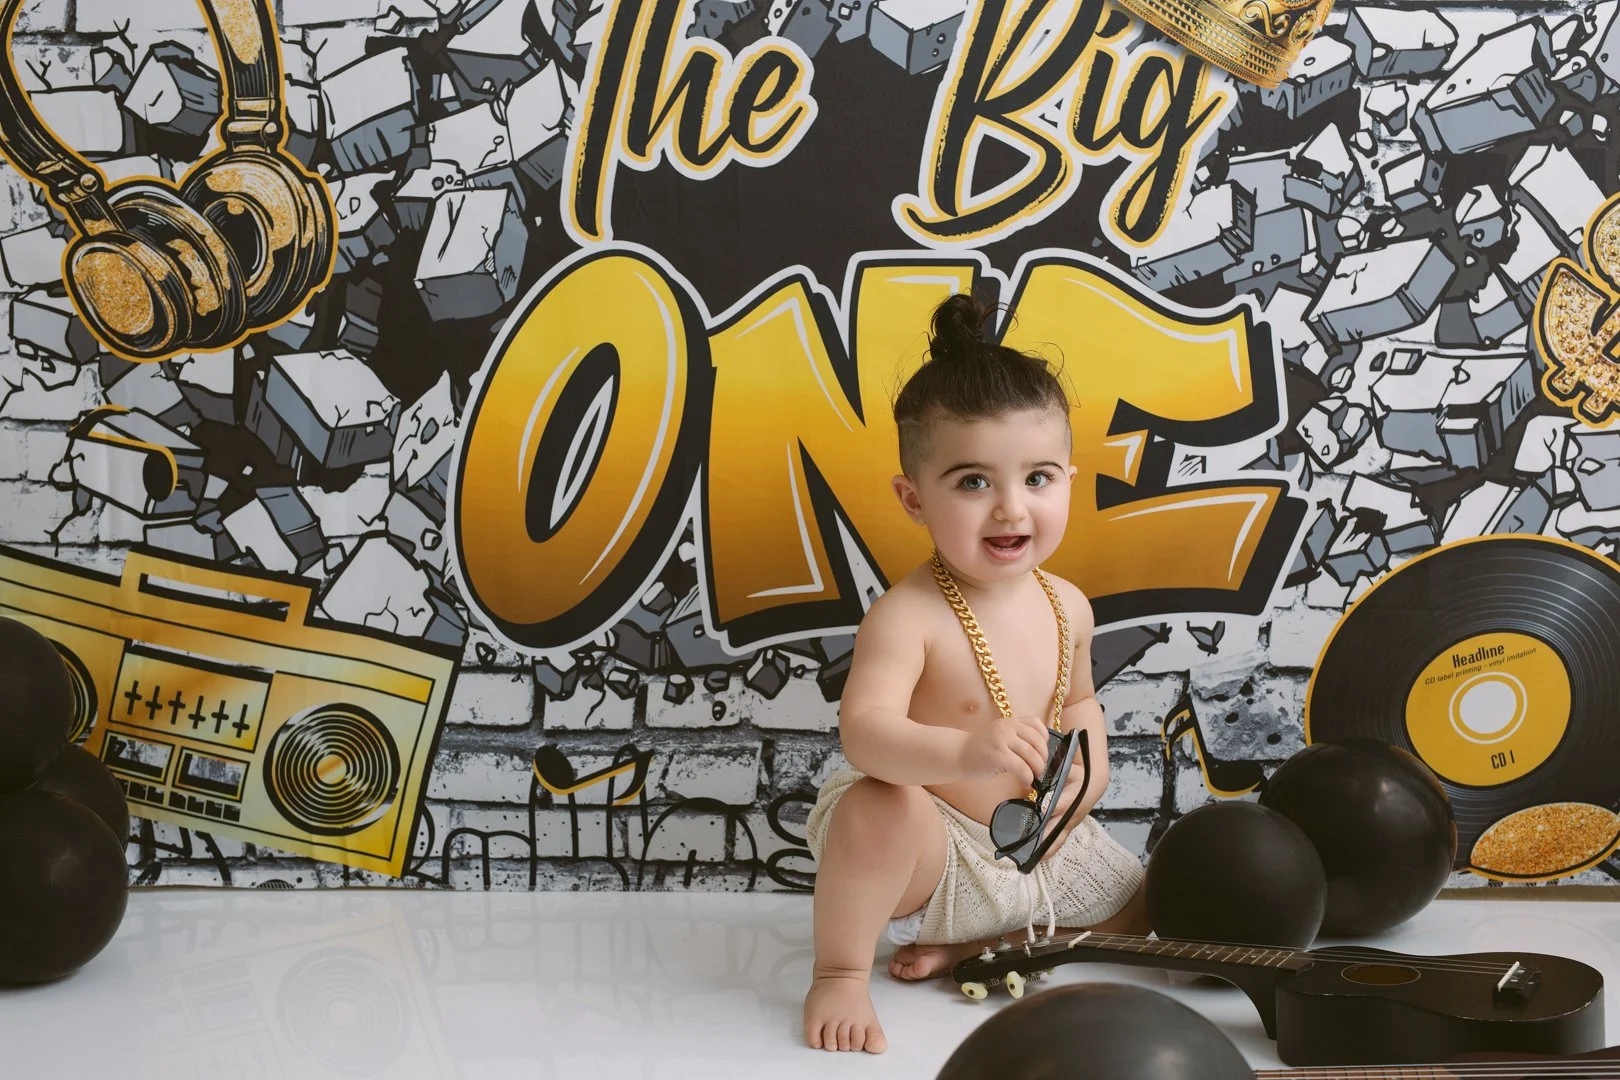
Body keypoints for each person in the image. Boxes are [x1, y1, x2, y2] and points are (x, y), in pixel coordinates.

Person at [801, 292, 1151, 1054]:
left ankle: (987, 951)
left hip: (1036, 844)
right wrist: (962, 753)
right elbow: (865, 734)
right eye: (972, 483)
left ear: (1069, 478)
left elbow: (1081, 700)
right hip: (938, 855)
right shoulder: (909, 615)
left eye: (1037, 479)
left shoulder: (1069, 605)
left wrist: (1087, 776)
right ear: (913, 499)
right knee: (877, 806)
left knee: (1149, 902)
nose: (1009, 509)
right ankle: (839, 973)